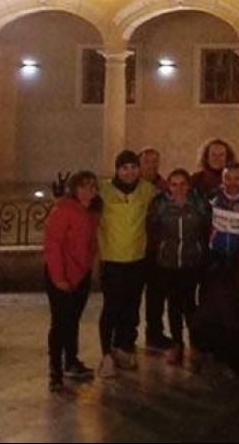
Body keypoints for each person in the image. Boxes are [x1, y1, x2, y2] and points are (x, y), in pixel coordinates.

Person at [97, 150, 154, 378]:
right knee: (111, 306)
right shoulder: (103, 189)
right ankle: (106, 354)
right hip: (111, 258)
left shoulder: (147, 190)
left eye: (133, 167)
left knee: (131, 307)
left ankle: (124, 347)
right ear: (117, 170)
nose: (129, 172)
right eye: (124, 168)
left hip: (136, 258)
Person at [43, 170, 100, 391]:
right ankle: (55, 370)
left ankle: (71, 361)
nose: (89, 191)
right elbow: (53, 246)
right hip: (61, 276)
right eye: (84, 186)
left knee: (72, 319)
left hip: (80, 275)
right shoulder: (63, 210)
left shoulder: (92, 212)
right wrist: (59, 277)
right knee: (59, 323)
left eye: (93, 187)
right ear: (74, 188)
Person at [146, 168, 210, 365]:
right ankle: (177, 344)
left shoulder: (198, 203)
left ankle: (196, 344)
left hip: (191, 261)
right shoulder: (160, 204)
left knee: (190, 305)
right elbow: (152, 227)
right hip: (169, 262)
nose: (178, 188)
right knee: (173, 305)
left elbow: (207, 225)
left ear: (188, 185)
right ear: (168, 186)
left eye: (182, 183)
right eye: (174, 184)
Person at [191, 247, 239, 378]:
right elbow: (228, 318)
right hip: (211, 326)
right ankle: (213, 355)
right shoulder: (228, 281)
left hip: (236, 327)